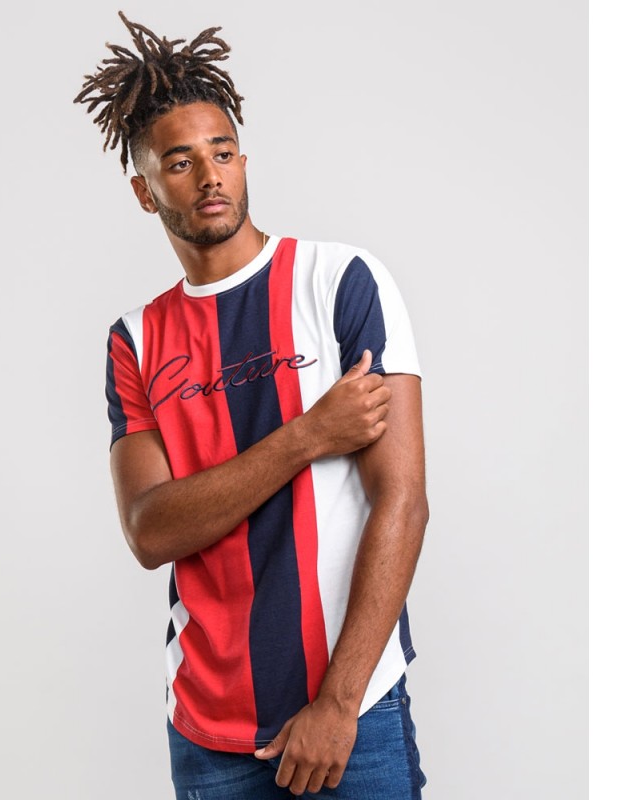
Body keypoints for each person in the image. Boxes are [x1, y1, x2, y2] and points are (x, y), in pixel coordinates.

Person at [75, 12, 430, 799]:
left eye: (223, 152)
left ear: (242, 160)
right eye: (180, 162)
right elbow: (151, 530)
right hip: (210, 731)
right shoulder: (135, 340)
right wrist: (309, 435)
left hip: (354, 714)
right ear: (144, 191)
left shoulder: (340, 282)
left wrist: (337, 705)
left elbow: (403, 501)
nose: (209, 176)